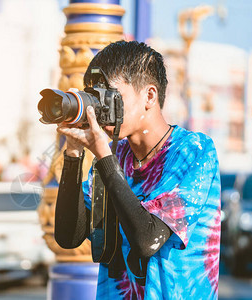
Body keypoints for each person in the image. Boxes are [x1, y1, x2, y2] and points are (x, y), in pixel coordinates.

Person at [54, 41, 221, 299]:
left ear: (149, 96)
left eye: (109, 96)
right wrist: (74, 152)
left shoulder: (194, 150)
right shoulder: (114, 154)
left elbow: (147, 240)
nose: (99, 109)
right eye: (95, 98)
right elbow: (69, 236)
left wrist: (104, 157)